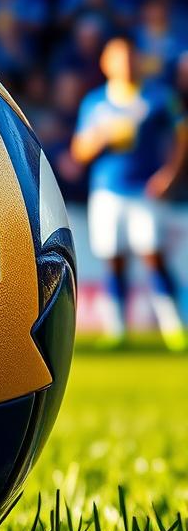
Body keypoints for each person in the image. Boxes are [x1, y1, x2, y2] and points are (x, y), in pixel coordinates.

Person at [71, 34, 188, 351]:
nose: (124, 63)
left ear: (137, 60)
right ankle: (117, 329)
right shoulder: (95, 103)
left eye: (129, 56)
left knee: (153, 255)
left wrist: (169, 175)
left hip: (146, 191)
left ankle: (175, 328)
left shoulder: (158, 96)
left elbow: (182, 135)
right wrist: (96, 140)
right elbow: (78, 152)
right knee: (113, 259)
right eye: (117, 57)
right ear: (106, 63)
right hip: (107, 192)